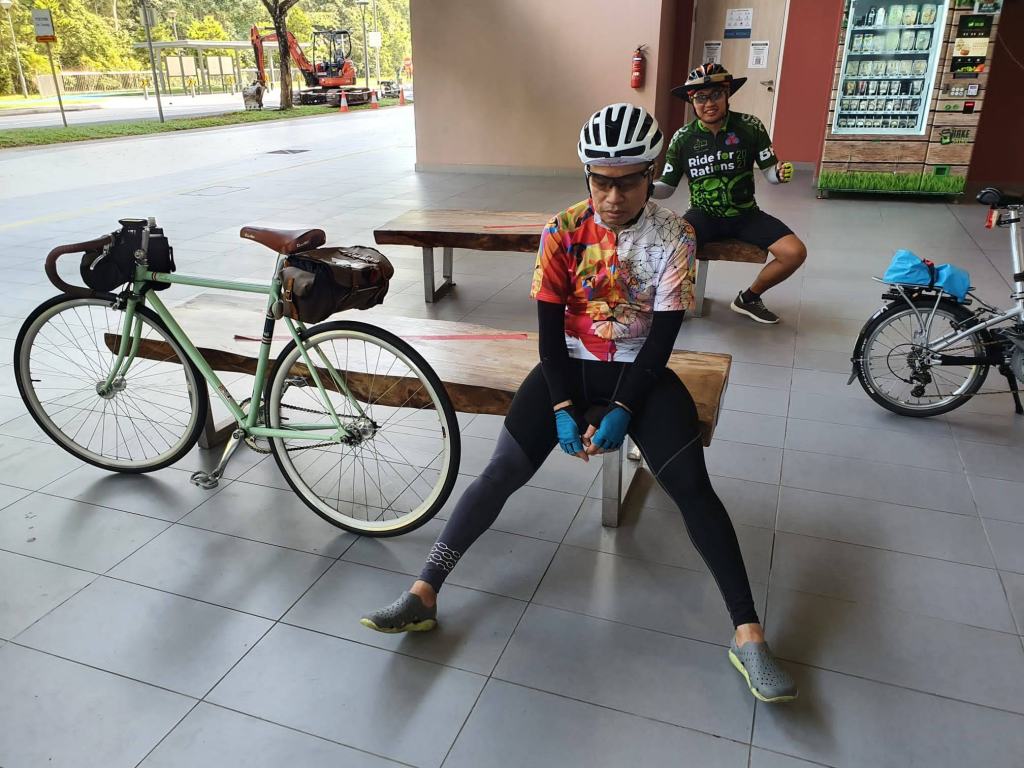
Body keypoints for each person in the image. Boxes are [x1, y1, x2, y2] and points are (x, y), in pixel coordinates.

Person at [361, 103, 798, 703]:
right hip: (568, 365)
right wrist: (563, 407)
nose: (612, 198)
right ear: (586, 175)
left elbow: (662, 341)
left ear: (651, 175)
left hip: (641, 372)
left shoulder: (676, 235)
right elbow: (547, 335)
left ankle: (748, 634)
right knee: (500, 471)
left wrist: (624, 409)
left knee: (694, 490)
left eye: (628, 183)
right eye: (600, 181)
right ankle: (423, 593)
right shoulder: (562, 230)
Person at [654, 63, 807, 324]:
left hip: (746, 213)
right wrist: (643, 186)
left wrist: (779, 174)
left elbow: (770, 172)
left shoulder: (750, 126)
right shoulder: (682, 138)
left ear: (727, 95)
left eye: (716, 94)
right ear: (692, 102)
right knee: (667, 249)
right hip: (702, 214)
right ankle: (672, 300)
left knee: (795, 252)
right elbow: (666, 188)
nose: (709, 103)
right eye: (701, 97)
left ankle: (748, 299)